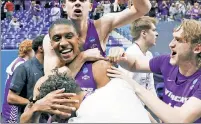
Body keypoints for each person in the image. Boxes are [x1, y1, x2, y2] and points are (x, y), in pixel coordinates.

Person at [107, 19, 201, 123]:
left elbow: (179, 119)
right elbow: (135, 64)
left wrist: (134, 86)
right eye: (173, 38)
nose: (170, 44)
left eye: (178, 40)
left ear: (197, 48)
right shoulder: (166, 61)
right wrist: (121, 55)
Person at [43, 0, 151, 75]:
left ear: (90, 6)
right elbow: (50, 79)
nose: (77, 3)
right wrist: (83, 57)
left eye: (82, 0)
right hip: (72, 98)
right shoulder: (51, 39)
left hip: (99, 97)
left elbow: (142, 9)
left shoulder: (102, 26)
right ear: (64, 7)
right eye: (72, 0)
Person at [20, 68, 151, 123]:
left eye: (53, 110)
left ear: (64, 99)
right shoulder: (119, 85)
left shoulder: (83, 120)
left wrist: (35, 108)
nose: (54, 117)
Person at [7, 35, 45, 122]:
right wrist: (34, 104)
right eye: (49, 44)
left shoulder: (51, 68)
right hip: (28, 119)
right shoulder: (23, 68)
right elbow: (11, 97)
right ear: (41, 48)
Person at [119, 16, 158, 95]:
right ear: (144, 33)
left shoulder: (149, 54)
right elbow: (124, 87)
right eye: (153, 30)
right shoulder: (131, 53)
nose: (157, 34)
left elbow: (150, 85)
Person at [2, 39, 33, 123]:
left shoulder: (18, 61)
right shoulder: (21, 64)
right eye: (33, 50)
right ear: (28, 51)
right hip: (12, 107)